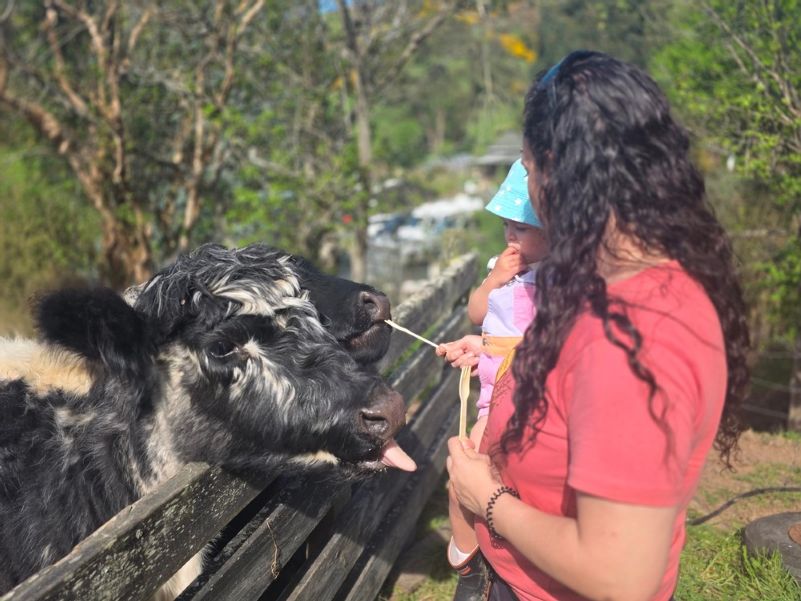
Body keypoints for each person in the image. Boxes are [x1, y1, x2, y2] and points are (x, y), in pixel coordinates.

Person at [443, 50, 750, 601]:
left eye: (529, 167)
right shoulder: (609, 286)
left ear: (559, 171)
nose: (528, 185)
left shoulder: (632, 336)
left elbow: (620, 575)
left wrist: (484, 496)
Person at [436, 160, 547, 593]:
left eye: (522, 228)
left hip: (518, 396)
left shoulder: (557, 282)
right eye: (506, 226)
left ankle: (479, 550)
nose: (510, 237)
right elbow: (477, 313)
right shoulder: (505, 273)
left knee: (474, 465)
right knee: (464, 466)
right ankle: (467, 556)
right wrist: (494, 280)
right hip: (493, 393)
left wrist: (490, 348)